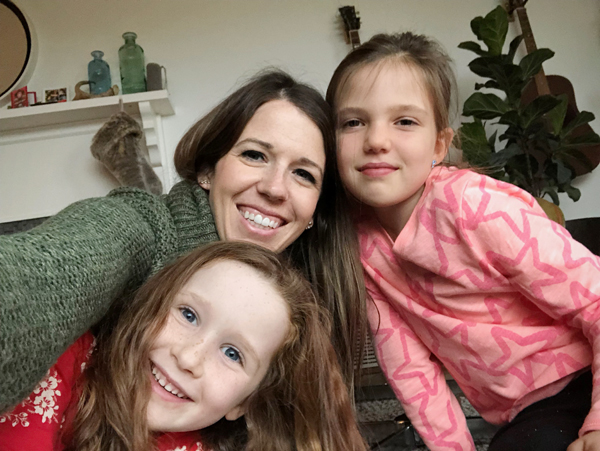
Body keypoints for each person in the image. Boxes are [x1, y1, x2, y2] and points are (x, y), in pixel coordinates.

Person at [0, 69, 366, 415]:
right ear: (207, 170)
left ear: (316, 209)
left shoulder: (310, 306)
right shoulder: (144, 228)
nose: (274, 188)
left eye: (303, 174)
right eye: (254, 155)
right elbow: (44, 274)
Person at [326, 31, 600, 451]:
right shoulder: (360, 246)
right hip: (522, 413)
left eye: (404, 121)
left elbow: (595, 300)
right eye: (353, 122)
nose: (376, 140)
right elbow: (410, 370)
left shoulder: (475, 206)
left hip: (583, 374)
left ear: (439, 144)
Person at [0, 242, 368, 451]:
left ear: (243, 403)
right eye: (188, 315)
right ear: (150, 306)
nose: (189, 357)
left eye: (233, 354)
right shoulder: (63, 358)